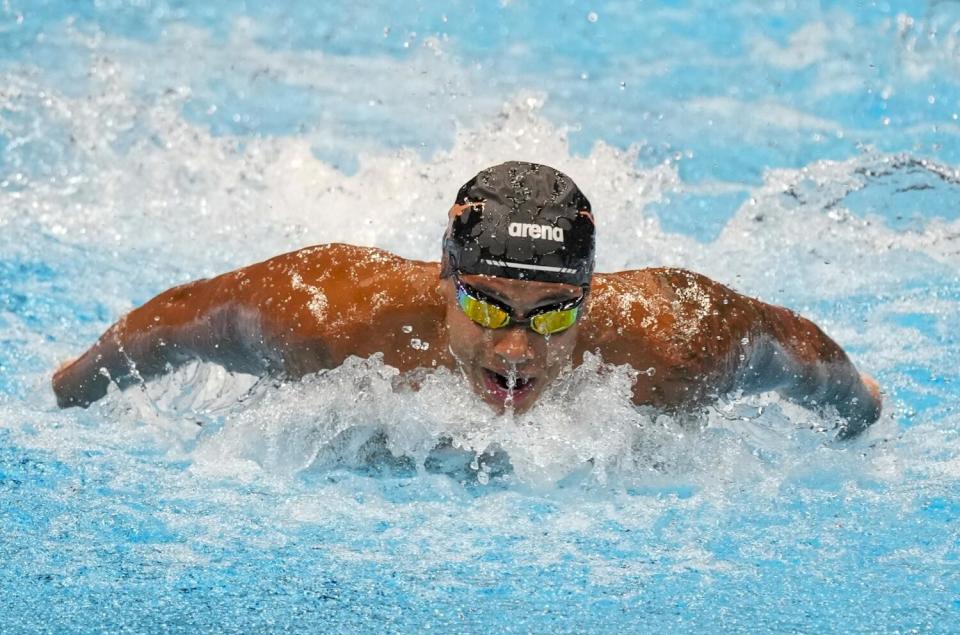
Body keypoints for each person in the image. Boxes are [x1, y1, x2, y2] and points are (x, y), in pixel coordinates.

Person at [52, 161, 882, 436]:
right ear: (442, 280)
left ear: (591, 302)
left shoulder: (677, 342)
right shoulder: (331, 322)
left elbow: (806, 360)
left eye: (552, 315)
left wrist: (863, 414)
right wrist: (69, 393)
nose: (515, 352)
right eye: (485, 307)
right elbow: (175, 325)